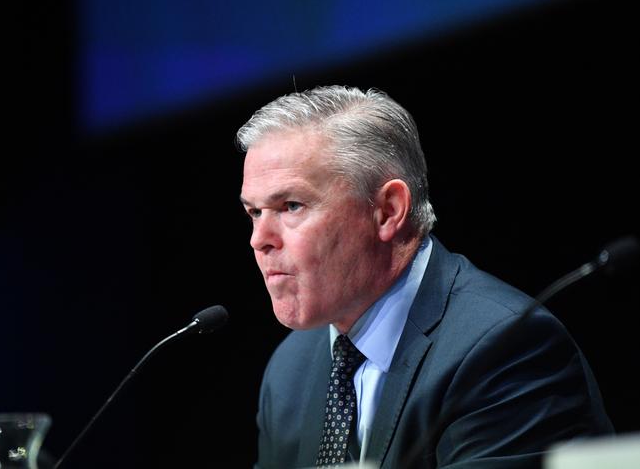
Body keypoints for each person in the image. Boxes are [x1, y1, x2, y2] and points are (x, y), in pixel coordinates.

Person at [237, 85, 613, 469]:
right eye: (254, 212)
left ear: (387, 210)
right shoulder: (289, 371)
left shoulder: (504, 349)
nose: (259, 240)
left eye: (291, 206)